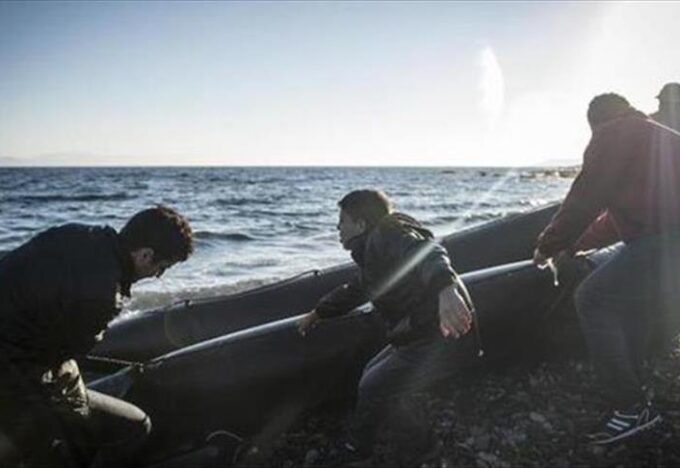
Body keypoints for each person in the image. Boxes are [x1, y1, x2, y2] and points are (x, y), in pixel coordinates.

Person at [533, 93, 680, 445]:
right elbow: (619, 219)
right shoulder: (654, 136)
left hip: (668, 241)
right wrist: (575, 245)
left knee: (593, 298)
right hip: (665, 238)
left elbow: (585, 197)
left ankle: (630, 407)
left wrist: (547, 246)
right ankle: (636, 385)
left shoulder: (613, 133)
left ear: (595, 121)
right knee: (634, 300)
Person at [0, 205, 194, 467]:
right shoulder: (103, 296)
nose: (157, 275)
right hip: (17, 375)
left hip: (19, 354)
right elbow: (65, 355)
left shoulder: (74, 233)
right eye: (162, 267)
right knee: (134, 426)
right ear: (145, 255)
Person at [297, 189, 472, 466]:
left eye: (342, 222)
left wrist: (446, 290)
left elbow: (427, 251)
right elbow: (358, 288)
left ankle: (365, 450)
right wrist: (320, 312)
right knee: (371, 373)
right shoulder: (371, 252)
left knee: (374, 386)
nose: (337, 229)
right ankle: (409, 441)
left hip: (436, 333)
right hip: (415, 333)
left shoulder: (388, 233)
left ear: (360, 224)